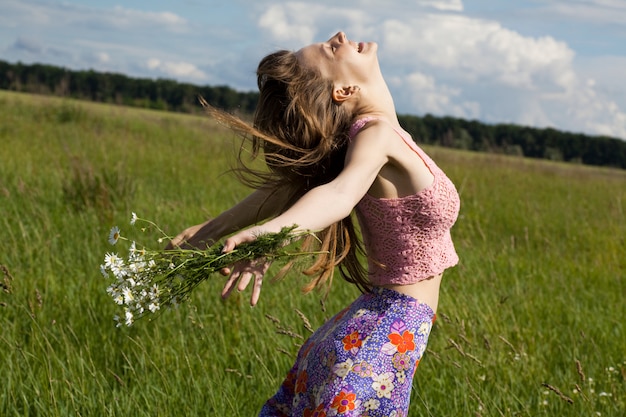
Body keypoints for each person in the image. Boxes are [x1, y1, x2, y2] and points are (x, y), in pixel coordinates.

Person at [169, 31, 460, 416]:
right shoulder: (376, 135)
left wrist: (210, 231)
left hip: (377, 331)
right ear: (343, 90)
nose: (338, 36)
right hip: (380, 337)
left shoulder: (376, 135)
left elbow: (292, 188)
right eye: (330, 48)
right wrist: (266, 235)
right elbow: (337, 195)